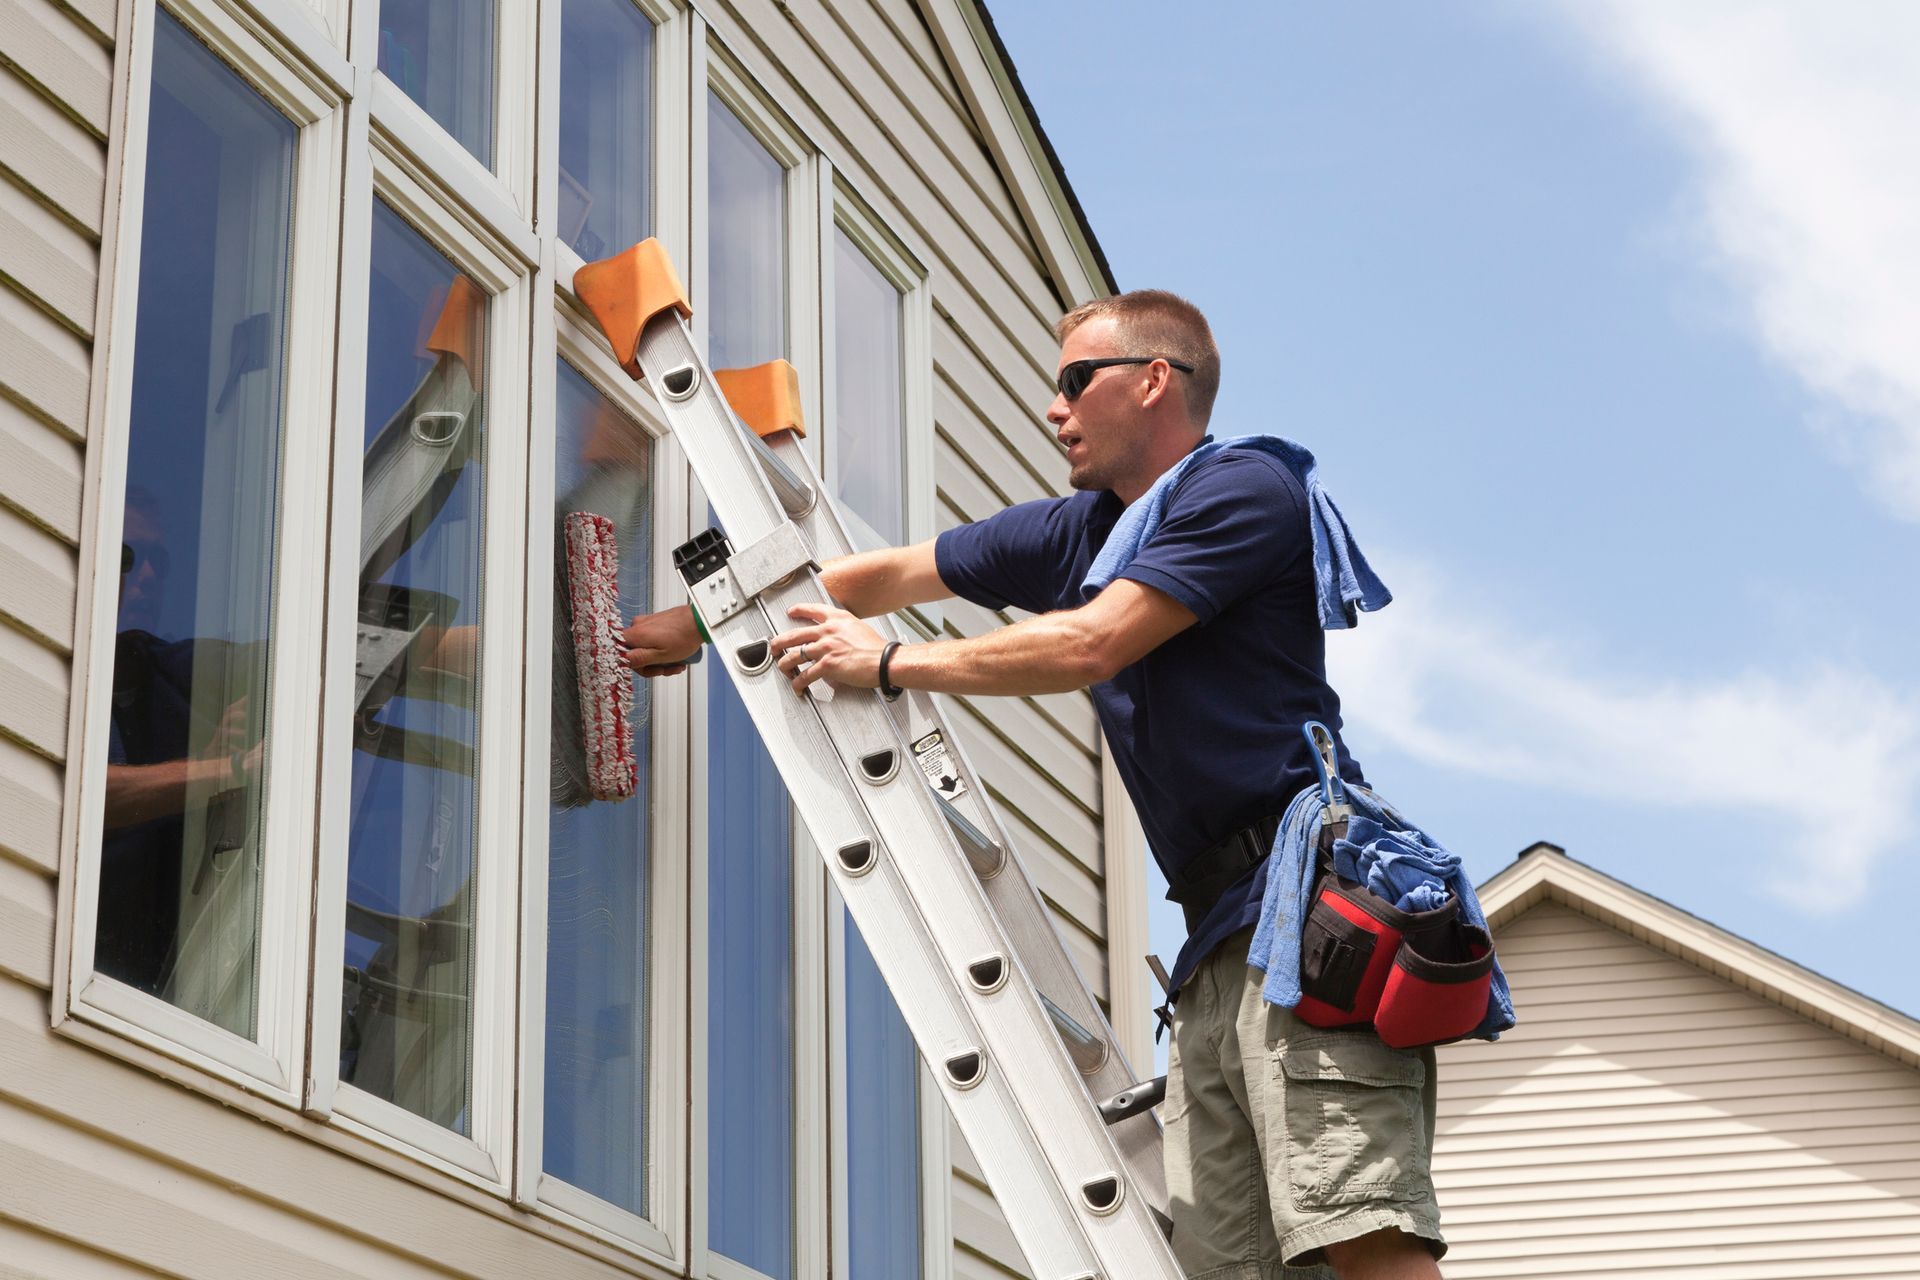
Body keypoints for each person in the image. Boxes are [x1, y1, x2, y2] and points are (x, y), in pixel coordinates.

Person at [620, 291, 1447, 1279]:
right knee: (1231, 1267)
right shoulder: (1082, 533)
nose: (1053, 409)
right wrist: (699, 621)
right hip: (1218, 938)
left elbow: (1095, 641)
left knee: (1356, 1228)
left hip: (1306, 912)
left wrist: (886, 668)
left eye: (1073, 381)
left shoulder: (1244, 491)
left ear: (1155, 381)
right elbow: (887, 573)